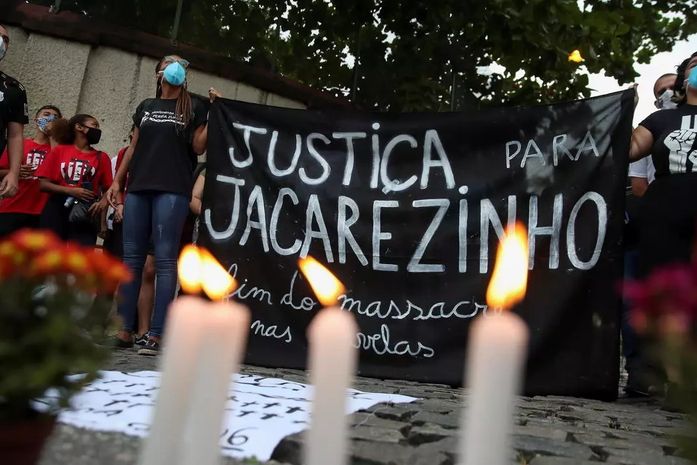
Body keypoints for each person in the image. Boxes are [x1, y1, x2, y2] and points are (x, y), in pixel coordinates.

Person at [106, 55, 212, 354]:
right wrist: (117, 182)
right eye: (171, 62)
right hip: (139, 188)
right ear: (159, 73)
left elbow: (199, 146)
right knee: (131, 260)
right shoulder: (146, 107)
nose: (177, 66)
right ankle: (124, 330)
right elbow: (134, 147)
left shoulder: (195, 105)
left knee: (165, 262)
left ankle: (157, 334)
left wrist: (214, 114)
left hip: (173, 190)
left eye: (182, 63)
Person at [36, 114, 112, 246]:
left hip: (85, 210)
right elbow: (43, 184)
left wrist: (102, 203)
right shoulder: (60, 151)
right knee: (50, 251)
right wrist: (71, 191)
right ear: (79, 127)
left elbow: (109, 189)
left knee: (81, 255)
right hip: (57, 207)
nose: (98, 130)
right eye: (94, 125)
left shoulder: (102, 157)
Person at [0, 105, 62, 236]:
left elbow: (60, 171)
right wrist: (14, 171)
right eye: (46, 114)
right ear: (36, 119)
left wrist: (54, 135)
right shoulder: (20, 144)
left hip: (42, 212)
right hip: (12, 207)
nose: (50, 118)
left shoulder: (59, 149)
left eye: (55, 118)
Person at [0, 24, 28, 199]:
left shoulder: (13, 89)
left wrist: (13, 173)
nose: (1, 42)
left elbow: (15, 135)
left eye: (6, 40)